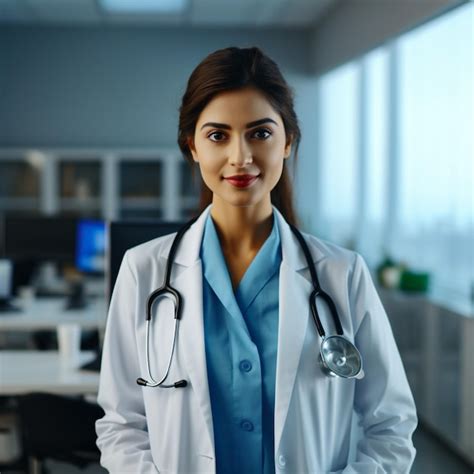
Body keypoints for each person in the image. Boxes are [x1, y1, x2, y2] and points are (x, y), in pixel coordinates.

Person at [95, 46, 417, 474]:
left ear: (288, 142)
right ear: (192, 146)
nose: (240, 157)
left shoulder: (343, 275)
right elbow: (121, 424)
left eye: (260, 133)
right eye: (218, 135)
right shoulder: (144, 272)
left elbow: (391, 425)